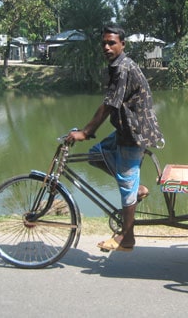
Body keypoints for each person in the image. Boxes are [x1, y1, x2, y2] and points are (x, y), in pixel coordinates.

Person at [66, 24, 163, 252]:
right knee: (94, 155)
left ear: (122, 44)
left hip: (134, 134)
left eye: (112, 43)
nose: (107, 47)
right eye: (104, 43)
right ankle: (137, 188)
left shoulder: (123, 68)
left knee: (126, 186)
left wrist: (86, 131)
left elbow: (109, 104)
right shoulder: (118, 65)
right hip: (124, 129)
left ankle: (127, 239)